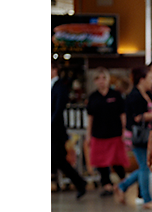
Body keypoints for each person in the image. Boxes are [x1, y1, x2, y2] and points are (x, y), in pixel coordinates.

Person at [114, 63, 152, 209]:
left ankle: (122, 186)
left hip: (146, 136)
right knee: (144, 167)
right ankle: (147, 199)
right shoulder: (134, 95)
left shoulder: (148, 94)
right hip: (138, 137)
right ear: (141, 79)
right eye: (149, 77)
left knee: (146, 166)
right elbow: (137, 117)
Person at [85, 67, 127, 197]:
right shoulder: (93, 97)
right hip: (98, 134)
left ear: (108, 80)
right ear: (95, 81)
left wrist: (124, 130)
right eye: (98, 79)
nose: (101, 81)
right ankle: (106, 185)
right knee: (101, 162)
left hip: (115, 134)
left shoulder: (116, 95)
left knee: (117, 161)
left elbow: (122, 114)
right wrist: (88, 135)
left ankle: (123, 182)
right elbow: (90, 117)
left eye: (104, 78)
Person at [52, 60, 88, 198]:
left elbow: (58, 109)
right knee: (57, 159)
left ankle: (79, 182)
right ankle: (79, 182)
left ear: (55, 70)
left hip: (55, 131)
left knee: (58, 159)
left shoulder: (60, 87)